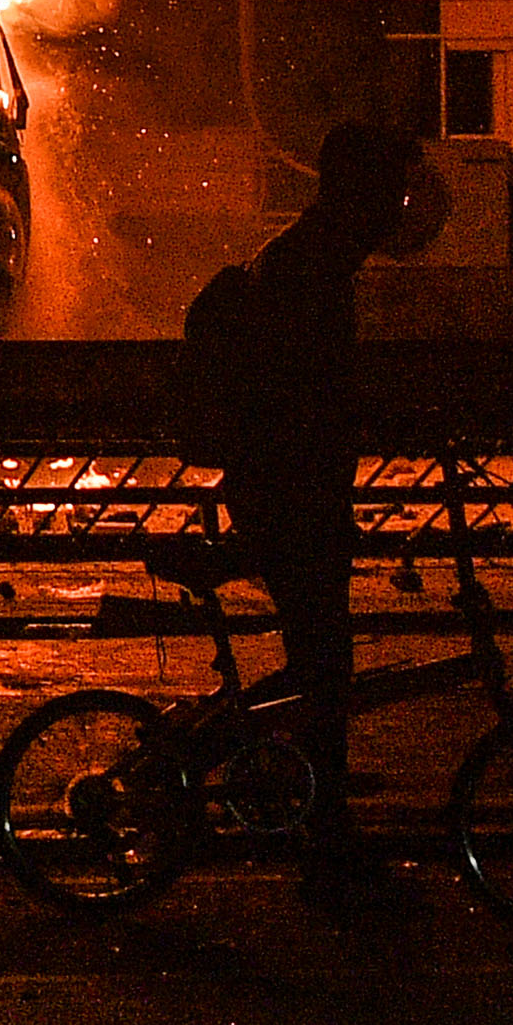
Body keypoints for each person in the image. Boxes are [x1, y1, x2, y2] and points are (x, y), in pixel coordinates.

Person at [205, 118, 429, 900]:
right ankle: (323, 836)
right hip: (288, 494)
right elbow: (311, 393)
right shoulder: (316, 266)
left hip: (284, 488)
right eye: (395, 189)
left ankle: (311, 813)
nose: (402, 206)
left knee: (322, 662)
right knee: (327, 669)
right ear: (360, 191)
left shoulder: (308, 254)